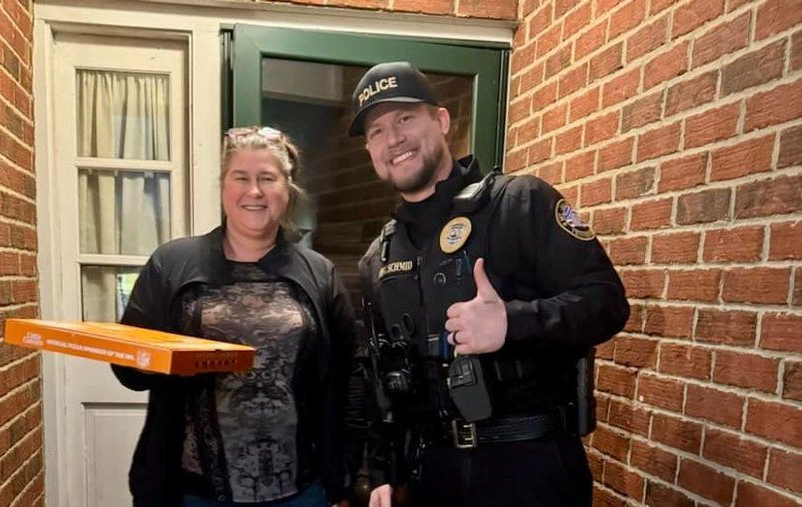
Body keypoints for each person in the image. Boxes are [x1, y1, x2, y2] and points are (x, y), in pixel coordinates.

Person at [349, 62, 630, 506]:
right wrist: (383, 470)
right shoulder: (379, 257)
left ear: (441, 121)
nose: (393, 138)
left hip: (529, 469)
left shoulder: (520, 203)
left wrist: (512, 322)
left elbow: (607, 303)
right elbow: (382, 376)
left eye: (405, 118)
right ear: (370, 151)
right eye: (377, 131)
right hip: (432, 475)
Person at [113, 126, 356, 507]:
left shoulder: (319, 273)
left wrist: (344, 477)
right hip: (195, 493)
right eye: (240, 177)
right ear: (224, 186)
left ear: (287, 189)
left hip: (300, 491)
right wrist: (150, 361)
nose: (254, 191)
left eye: (267, 178)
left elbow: (348, 376)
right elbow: (127, 369)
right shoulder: (172, 263)